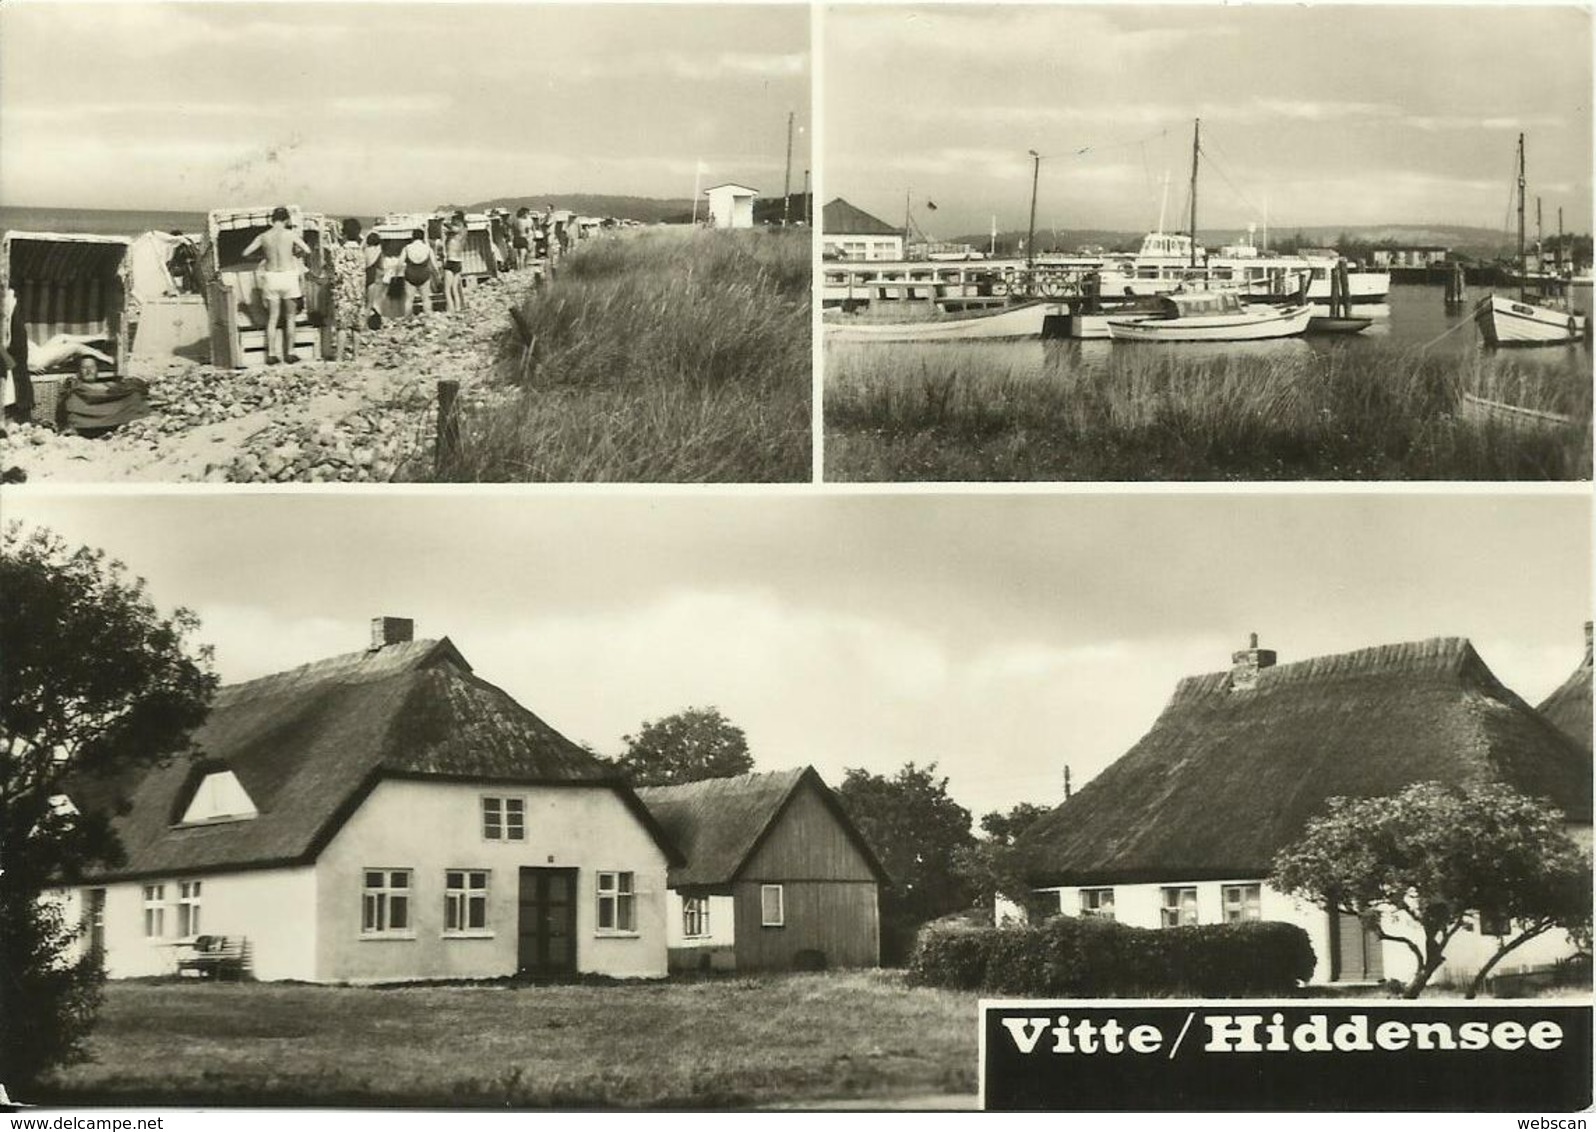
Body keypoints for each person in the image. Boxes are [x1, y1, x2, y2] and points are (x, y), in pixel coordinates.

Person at [240, 206, 312, 364]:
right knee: (290, 317)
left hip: (271, 277)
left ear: (272, 219)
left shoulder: (264, 236)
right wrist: (293, 253)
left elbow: (245, 253)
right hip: (288, 276)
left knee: (272, 318)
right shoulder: (290, 234)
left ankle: (271, 354)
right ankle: (290, 353)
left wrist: (265, 256)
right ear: (287, 219)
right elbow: (307, 250)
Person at [330, 218, 367, 361]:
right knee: (356, 327)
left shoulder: (340, 252)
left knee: (342, 327)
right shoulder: (361, 253)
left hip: (344, 293)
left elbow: (336, 273)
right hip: (358, 293)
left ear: (344, 233)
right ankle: (356, 356)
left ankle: (339, 357)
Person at [401, 228, 436, 317]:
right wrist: (437, 275)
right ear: (422, 237)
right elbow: (434, 265)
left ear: (413, 237)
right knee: (426, 298)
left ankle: (407, 318)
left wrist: (398, 273)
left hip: (410, 274)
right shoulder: (428, 248)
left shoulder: (407, 248)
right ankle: (429, 316)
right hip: (424, 274)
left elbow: (399, 263)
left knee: (409, 299)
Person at [442, 210, 467, 313]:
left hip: (451, 260)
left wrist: (443, 220)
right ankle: (458, 308)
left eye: (454, 219)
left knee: (447, 289)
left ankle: (451, 309)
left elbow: (451, 227)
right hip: (458, 260)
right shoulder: (464, 230)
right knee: (455, 288)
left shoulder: (458, 229)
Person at [363, 230, 386, 330]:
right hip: (372, 278)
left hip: (363, 277)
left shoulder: (364, 250)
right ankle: (364, 326)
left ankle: (360, 324)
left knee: (363, 304)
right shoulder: (378, 251)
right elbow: (381, 266)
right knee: (369, 304)